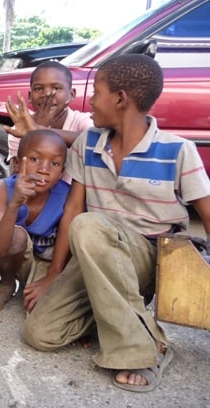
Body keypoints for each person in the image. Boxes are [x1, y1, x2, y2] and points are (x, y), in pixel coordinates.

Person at [22, 54, 210, 392]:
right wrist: (53, 275)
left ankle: (144, 349)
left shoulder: (177, 150)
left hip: (148, 257)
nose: (91, 101)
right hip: (95, 254)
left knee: (89, 226)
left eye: (97, 92)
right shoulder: (88, 143)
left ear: (121, 99)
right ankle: (113, 317)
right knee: (40, 334)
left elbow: (207, 215)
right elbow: (72, 209)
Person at [0, 129, 69, 313]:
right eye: (35, 159)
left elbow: (67, 247)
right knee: (17, 236)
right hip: (9, 256)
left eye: (55, 163)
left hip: (45, 262)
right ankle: (6, 283)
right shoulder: (3, 188)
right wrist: (14, 205)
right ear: (17, 163)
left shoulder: (67, 195)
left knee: (44, 309)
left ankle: (30, 284)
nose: (44, 170)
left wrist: (52, 277)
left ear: (62, 172)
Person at [5, 60, 92, 176]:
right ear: (30, 96)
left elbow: (96, 141)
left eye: (56, 88)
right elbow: (16, 177)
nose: (47, 94)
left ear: (71, 94)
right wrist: (35, 135)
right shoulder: (20, 129)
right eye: (39, 88)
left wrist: (40, 130)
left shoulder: (82, 121)